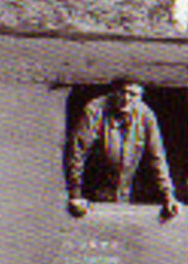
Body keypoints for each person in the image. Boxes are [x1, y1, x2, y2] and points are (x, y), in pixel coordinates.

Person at [65, 79, 179, 219]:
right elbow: (77, 151)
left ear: (141, 96)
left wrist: (168, 195)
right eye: (123, 92)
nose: (126, 99)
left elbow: (157, 157)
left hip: (125, 192)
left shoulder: (146, 115)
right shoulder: (95, 110)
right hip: (92, 192)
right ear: (114, 92)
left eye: (132, 94)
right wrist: (75, 194)